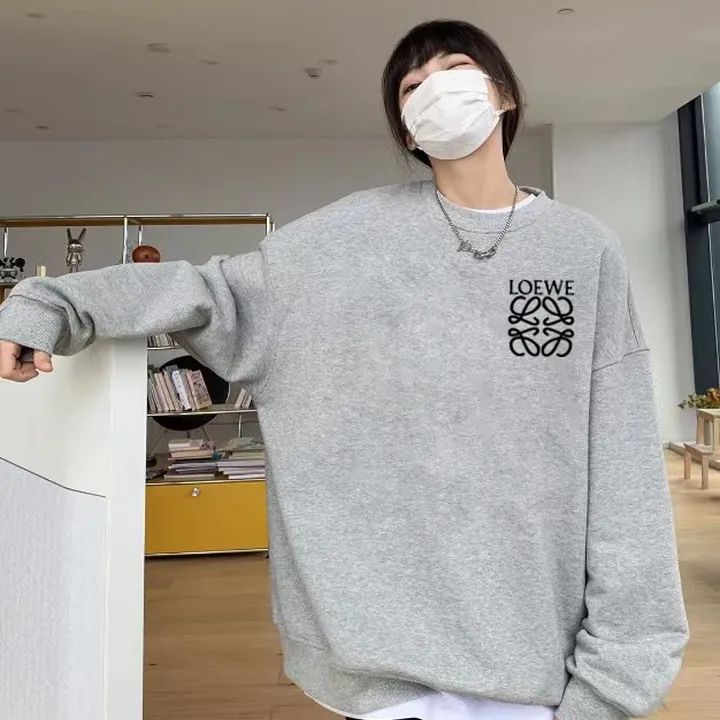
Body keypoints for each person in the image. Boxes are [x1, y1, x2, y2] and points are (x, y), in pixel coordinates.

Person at [0, 18, 688, 720]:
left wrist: (618, 678)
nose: (435, 89)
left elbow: (623, 463)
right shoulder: (345, 239)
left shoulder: (582, 250)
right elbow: (211, 292)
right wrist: (50, 301)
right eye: (412, 86)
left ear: (503, 94)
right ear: (407, 130)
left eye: (455, 68)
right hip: (382, 673)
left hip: (541, 667)